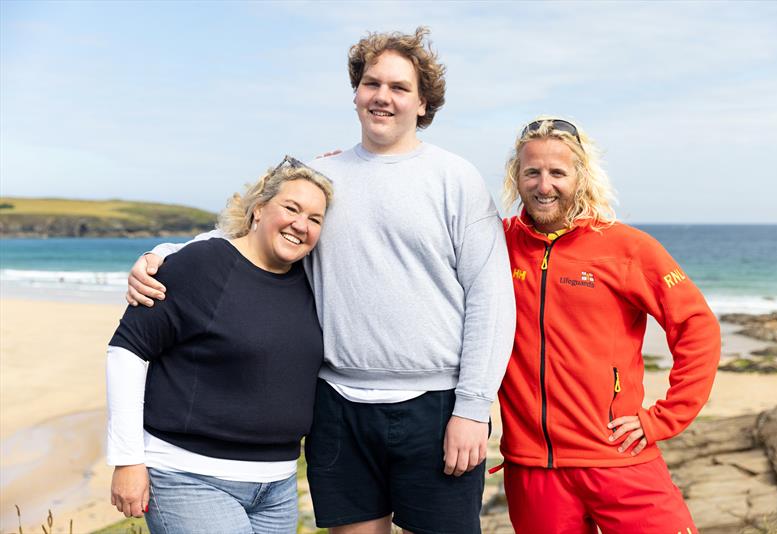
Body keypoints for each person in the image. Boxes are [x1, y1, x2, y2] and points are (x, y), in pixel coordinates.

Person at [125, 28, 516, 534]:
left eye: (399, 87)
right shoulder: (320, 176)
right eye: (371, 83)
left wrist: (472, 407)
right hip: (336, 406)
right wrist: (162, 254)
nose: (383, 97)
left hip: (437, 407)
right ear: (356, 92)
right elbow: (248, 233)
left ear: (423, 103)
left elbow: (491, 296)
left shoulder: (455, 178)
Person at [497, 117, 720, 534]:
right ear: (517, 176)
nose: (544, 185)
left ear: (580, 177)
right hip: (533, 470)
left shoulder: (626, 248)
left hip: (618, 457)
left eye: (558, 172)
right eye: (533, 172)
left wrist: (663, 418)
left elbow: (697, 326)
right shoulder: (497, 243)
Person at [107, 156, 333, 534]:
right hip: (189, 477)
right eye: (291, 208)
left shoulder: (311, 280)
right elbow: (126, 352)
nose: (301, 224)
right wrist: (127, 459)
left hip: (277, 486)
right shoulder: (200, 265)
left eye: (315, 219)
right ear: (259, 209)